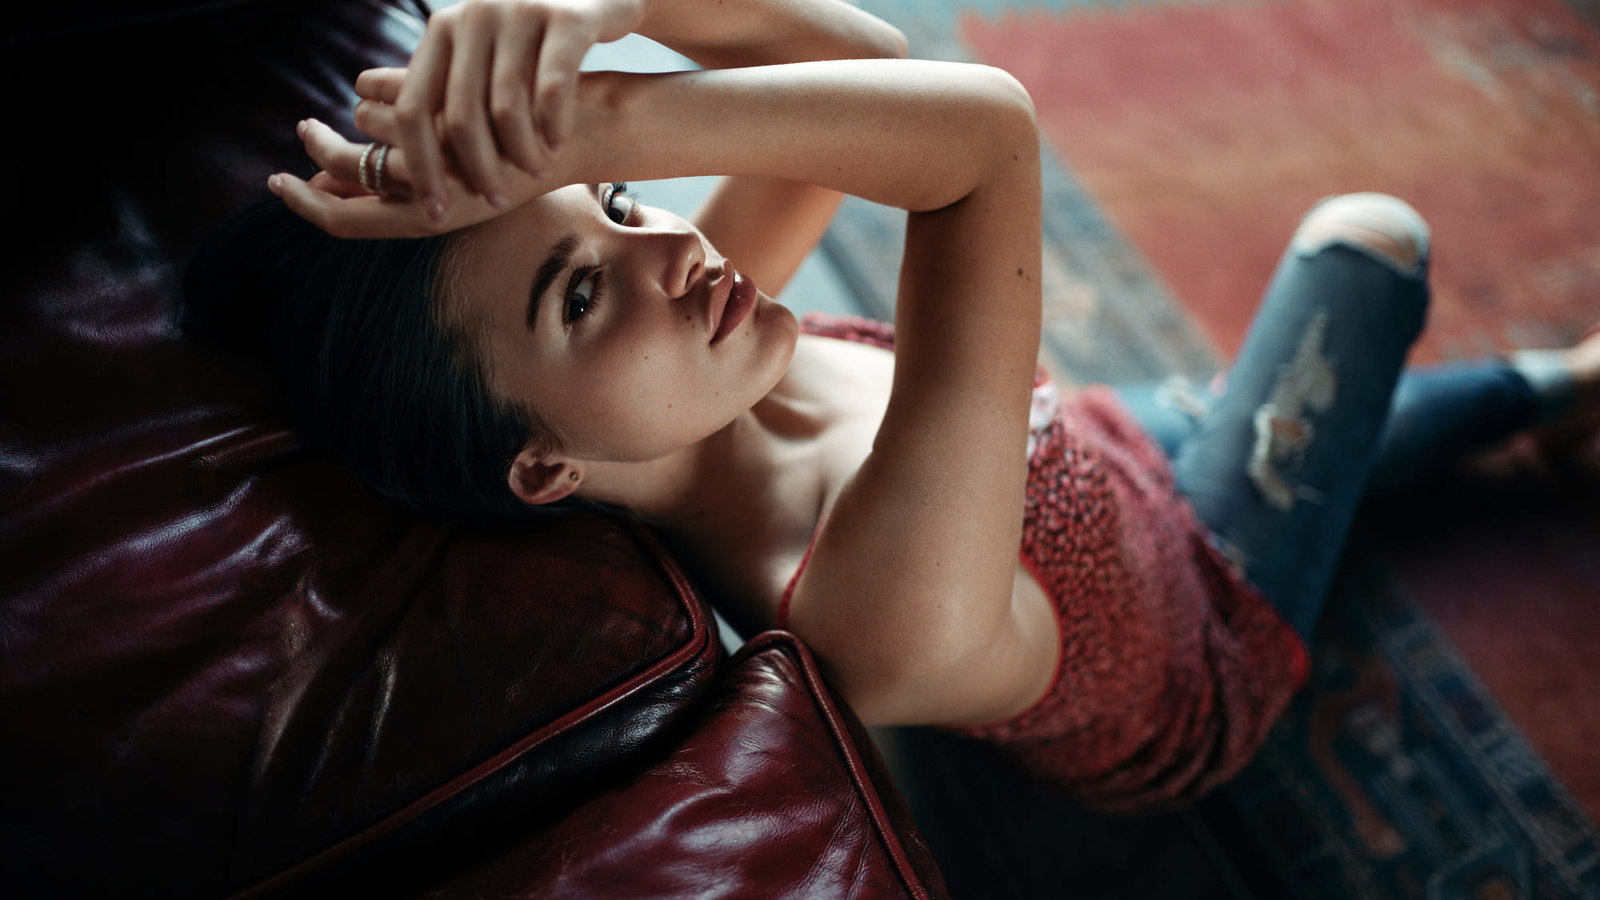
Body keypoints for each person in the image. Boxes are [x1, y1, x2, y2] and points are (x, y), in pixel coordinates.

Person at [186, 0, 1600, 812]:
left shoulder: (697, 354)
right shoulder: (862, 604)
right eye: (576, 292)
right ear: (544, 469)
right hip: (1198, 643)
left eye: (617, 207)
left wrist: (605, 14)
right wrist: (608, 118)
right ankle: (1555, 390)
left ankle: (1556, 392)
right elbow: (978, 135)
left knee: (1232, 418)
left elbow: (855, 59)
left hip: (1096, 455)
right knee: (1368, 238)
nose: (670, 247)